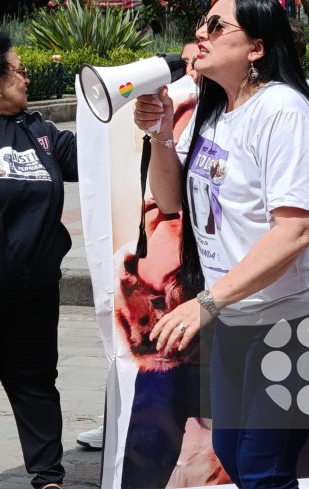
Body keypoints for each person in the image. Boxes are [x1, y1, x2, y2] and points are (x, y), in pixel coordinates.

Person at [133, 0, 309, 489]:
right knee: (232, 452)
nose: (200, 35)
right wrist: (162, 135)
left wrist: (206, 303)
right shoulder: (217, 111)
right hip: (240, 313)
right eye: (201, 26)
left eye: (216, 27)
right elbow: (171, 203)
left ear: (256, 47)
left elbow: (295, 231)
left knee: (261, 467)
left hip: (304, 316)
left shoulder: (283, 112)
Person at [76, 38, 203, 452]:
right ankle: (125, 423)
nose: (190, 71)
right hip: (169, 273)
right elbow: (169, 202)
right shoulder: (177, 115)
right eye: (184, 64)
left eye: (196, 60)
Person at [0, 31, 78, 489]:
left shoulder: (40, 132)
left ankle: (49, 477)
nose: (25, 76)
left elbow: (92, 159)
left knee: (35, 383)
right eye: (16, 69)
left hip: (33, 293)